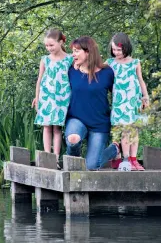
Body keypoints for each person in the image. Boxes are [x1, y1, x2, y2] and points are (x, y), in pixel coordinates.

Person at [64, 36, 119, 170]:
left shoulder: (107, 72)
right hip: (77, 119)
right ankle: (74, 165)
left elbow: (119, 97)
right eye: (73, 51)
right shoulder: (71, 71)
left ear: (88, 51)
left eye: (77, 51)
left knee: (92, 166)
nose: (73, 54)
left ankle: (114, 150)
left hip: (99, 124)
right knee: (72, 140)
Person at [107, 33, 149, 171]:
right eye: (114, 50)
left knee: (134, 130)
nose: (116, 52)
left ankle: (134, 159)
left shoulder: (135, 62)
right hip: (120, 102)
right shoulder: (110, 63)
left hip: (134, 101)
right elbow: (97, 71)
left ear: (126, 48)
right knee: (125, 130)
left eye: (119, 50)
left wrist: (145, 97)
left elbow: (140, 80)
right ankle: (125, 159)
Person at [32, 29, 73, 161]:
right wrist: (37, 97)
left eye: (51, 45)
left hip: (62, 97)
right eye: (47, 46)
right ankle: (47, 156)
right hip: (46, 96)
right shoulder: (45, 60)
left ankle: (55, 157)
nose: (49, 48)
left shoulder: (69, 59)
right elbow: (40, 79)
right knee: (46, 126)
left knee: (57, 127)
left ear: (60, 42)